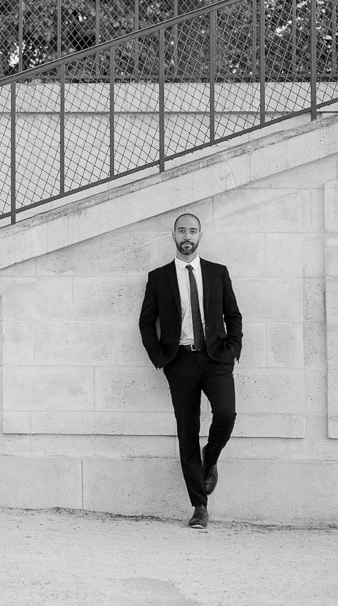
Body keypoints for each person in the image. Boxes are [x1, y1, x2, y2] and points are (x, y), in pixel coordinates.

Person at [138, 213, 242, 530]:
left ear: (200, 235)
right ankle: (199, 506)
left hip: (215, 359)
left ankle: (210, 459)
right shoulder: (159, 278)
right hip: (179, 361)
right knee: (187, 431)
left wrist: (233, 349)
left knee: (226, 414)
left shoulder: (217, 273)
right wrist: (160, 357)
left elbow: (233, 315)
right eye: (182, 230)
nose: (187, 235)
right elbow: (145, 322)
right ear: (173, 235)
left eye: (192, 231)